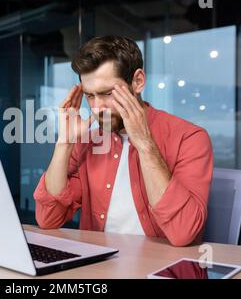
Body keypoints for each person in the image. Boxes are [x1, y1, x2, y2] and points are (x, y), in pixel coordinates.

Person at [33, 36, 214, 246]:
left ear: (137, 81)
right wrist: (64, 143)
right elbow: (48, 219)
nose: (97, 107)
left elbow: (183, 233)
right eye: (90, 96)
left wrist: (145, 145)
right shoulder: (89, 142)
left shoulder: (189, 138)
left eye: (107, 93)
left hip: (160, 268)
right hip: (98, 266)